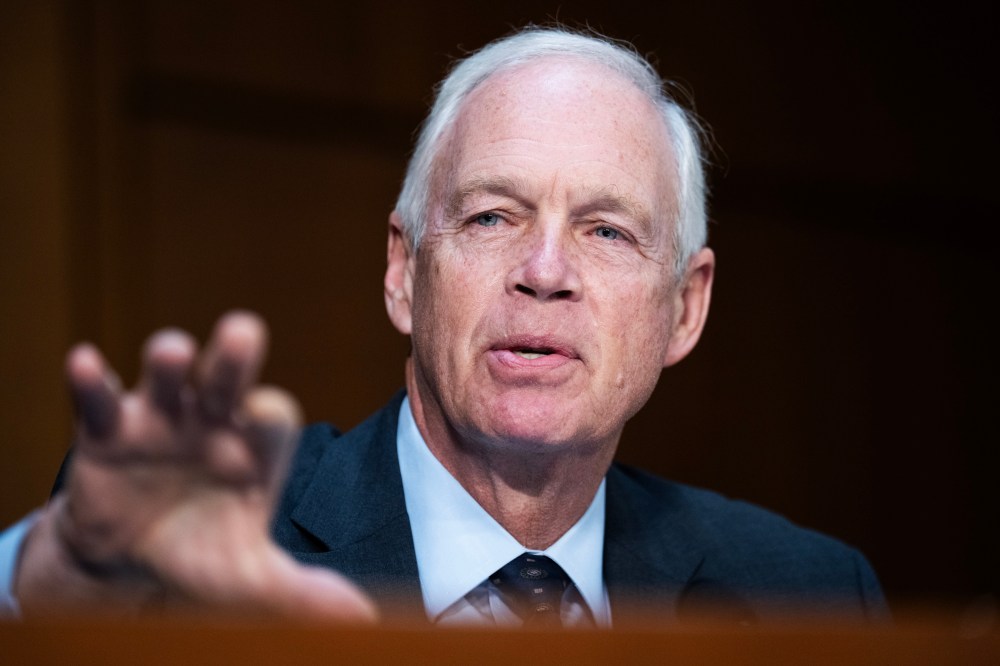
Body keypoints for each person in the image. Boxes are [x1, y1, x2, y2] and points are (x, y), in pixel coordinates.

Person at [0, 27, 887, 627]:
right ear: (404, 272)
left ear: (684, 308)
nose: (545, 271)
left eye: (607, 231)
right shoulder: (177, 535)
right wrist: (66, 577)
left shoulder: (810, 595)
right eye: (492, 217)